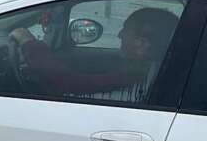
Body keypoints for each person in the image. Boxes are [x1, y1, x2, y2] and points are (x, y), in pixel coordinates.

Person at [10, 7, 180, 102]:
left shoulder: (137, 74)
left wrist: (27, 41)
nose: (120, 34)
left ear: (142, 44)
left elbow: (70, 83)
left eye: (126, 29)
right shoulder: (155, 69)